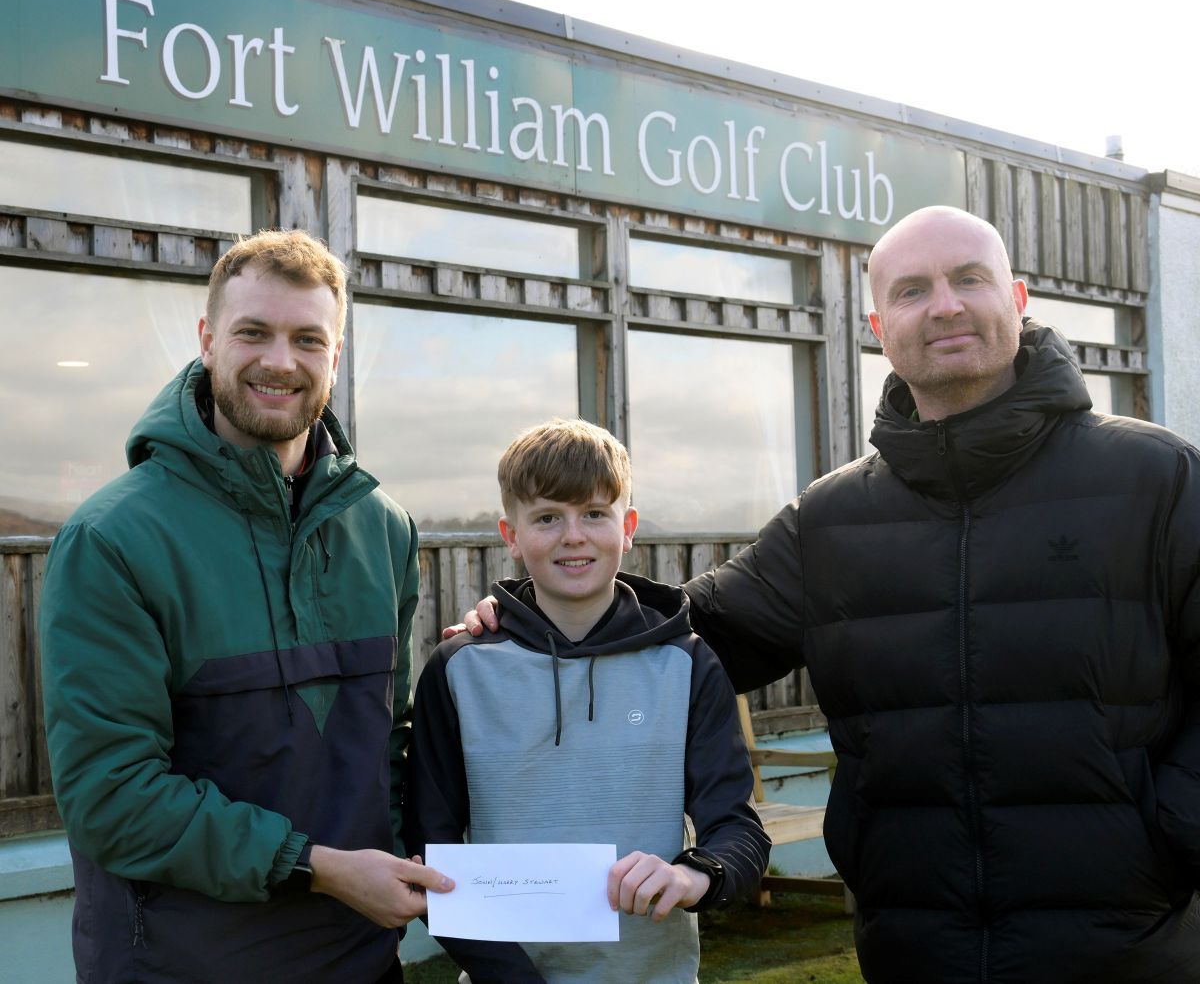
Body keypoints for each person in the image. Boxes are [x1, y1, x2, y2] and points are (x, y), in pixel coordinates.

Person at [458, 208, 1200, 983]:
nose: (944, 304)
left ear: (1016, 298)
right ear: (880, 326)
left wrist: (1168, 833)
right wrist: (529, 617)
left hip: (1134, 944)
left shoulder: (1156, 479)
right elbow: (695, 631)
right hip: (917, 943)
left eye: (968, 279)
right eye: (913, 290)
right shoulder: (834, 518)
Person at [40, 229, 453, 983]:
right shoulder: (113, 539)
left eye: (308, 338)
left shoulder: (382, 528)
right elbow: (112, 797)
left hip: (358, 960)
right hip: (176, 965)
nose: (280, 361)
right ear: (207, 338)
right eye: (253, 332)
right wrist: (319, 867)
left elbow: (386, 742)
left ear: (336, 354)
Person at [407, 418, 770, 983]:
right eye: (548, 517)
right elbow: (433, 854)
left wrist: (693, 876)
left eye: (594, 514)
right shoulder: (458, 668)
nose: (573, 535)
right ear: (511, 534)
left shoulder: (688, 664)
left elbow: (738, 828)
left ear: (627, 527)